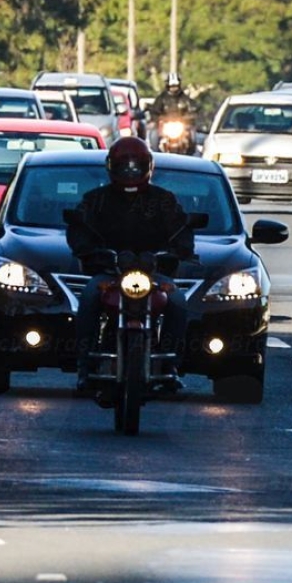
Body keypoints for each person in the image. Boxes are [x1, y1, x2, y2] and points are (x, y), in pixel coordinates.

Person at [65, 137, 195, 395]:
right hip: (110, 272)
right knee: (89, 298)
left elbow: (182, 232)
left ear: (148, 166)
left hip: (153, 272)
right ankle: (84, 364)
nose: (130, 171)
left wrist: (172, 254)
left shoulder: (164, 200)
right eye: (124, 166)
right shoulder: (95, 199)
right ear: (111, 166)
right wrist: (94, 253)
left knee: (178, 302)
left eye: (136, 166)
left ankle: (171, 365)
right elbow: (78, 230)